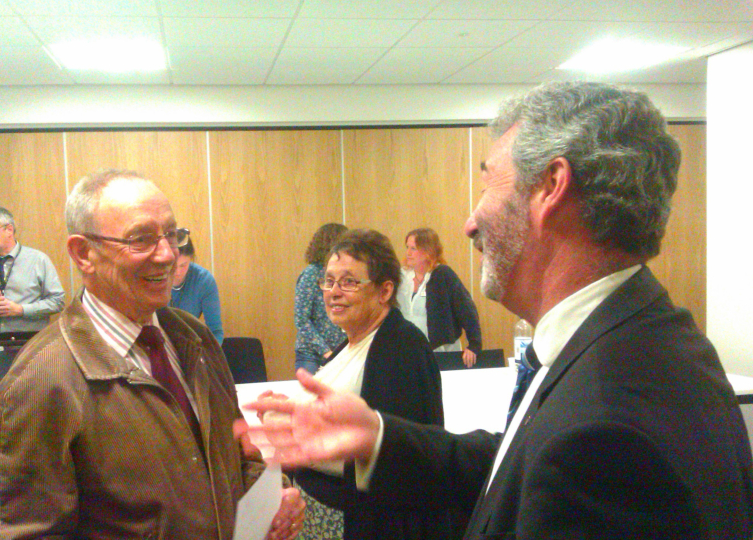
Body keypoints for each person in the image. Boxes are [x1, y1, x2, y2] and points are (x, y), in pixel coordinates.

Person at [241, 83, 753, 539]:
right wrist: (378, 436)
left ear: (550, 188)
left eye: (489, 184)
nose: (470, 221)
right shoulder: (630, 342)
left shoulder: (608, 425)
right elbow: (516, 461)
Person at [0, 170, 304, 540]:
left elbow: (236, 455)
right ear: (84, 254)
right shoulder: (40, 383)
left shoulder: (192, 338)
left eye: (171, 234)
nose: (166, 255)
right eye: (141, 239)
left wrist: (268, 497)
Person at [282, 228, 448, 540]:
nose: (333, 291)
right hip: (323, 517)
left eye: (349, 282)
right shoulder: (353, 343)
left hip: (358, 524)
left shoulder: (402, 348)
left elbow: (401, 459)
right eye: (329, 280)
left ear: (385, 292)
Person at [0, 206, 65, 398]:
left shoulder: (38, 260)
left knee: (34, 405)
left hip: (32, 346)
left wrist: (21, 310)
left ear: (9, 229)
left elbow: (58, 302)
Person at [397, 227, 481, 367]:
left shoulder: (443, 275)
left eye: (413, 248)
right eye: (407, 247)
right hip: (408, 351)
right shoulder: (402, 276)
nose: (408, 253)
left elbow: (466, 309)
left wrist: (474, 344)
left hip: (440, 352)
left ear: (427, 251)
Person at [294, 223, 348, 374]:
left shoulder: (345, 274)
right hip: (312, 355)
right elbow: (301, 320)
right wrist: (325, 351)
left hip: (340, 351)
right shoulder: (311, 274)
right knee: (311, 396)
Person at [170, 237, 224, 344]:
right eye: (173, 264)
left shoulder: (204, 281)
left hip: (188, 346)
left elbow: (215, 331)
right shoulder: (154, 279)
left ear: (191, 258)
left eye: (183, 265)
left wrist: (205, 357)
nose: (178, 272)